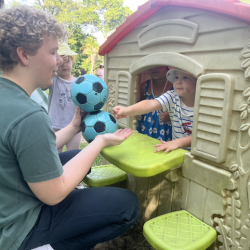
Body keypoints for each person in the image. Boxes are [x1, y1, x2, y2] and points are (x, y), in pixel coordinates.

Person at [0, 5, 139, 250]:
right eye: (53, 52)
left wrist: (75, 127)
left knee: (75, 156)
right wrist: (99, 142)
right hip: (15, 227)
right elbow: (54, 194)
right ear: (23, 55)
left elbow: (30, 150)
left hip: (9, 197)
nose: (59, 60)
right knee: (127, 206)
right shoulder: (28, 114)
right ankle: (49, 246)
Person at [113, 68, 197, 152]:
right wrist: (127, 110)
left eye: (185, 77)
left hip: (198, 154)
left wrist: (176, 143)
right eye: (176, 77)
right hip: (177, 150)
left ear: (197, 83)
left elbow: (199, 136)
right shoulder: (172, 97)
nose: (178, 81)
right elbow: (150, 104)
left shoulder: (203, 104)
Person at [47, 42, 81, 153]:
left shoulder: (79, 83)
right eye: (60, 63)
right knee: (55, 156)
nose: (64, 65)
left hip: (74, 126)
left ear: (72, 62)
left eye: (67, 62)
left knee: (73, 154)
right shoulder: (53, 80)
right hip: (55, 125)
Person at [137, 66, 173, 141]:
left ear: (167, 66)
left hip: (166, 128)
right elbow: (140, 104)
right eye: (151, 66)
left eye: (158, 66)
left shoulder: (175, 87)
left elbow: (182, 109)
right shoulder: (145, 86)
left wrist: (171, 117)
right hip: (147, 126)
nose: (154, 68)